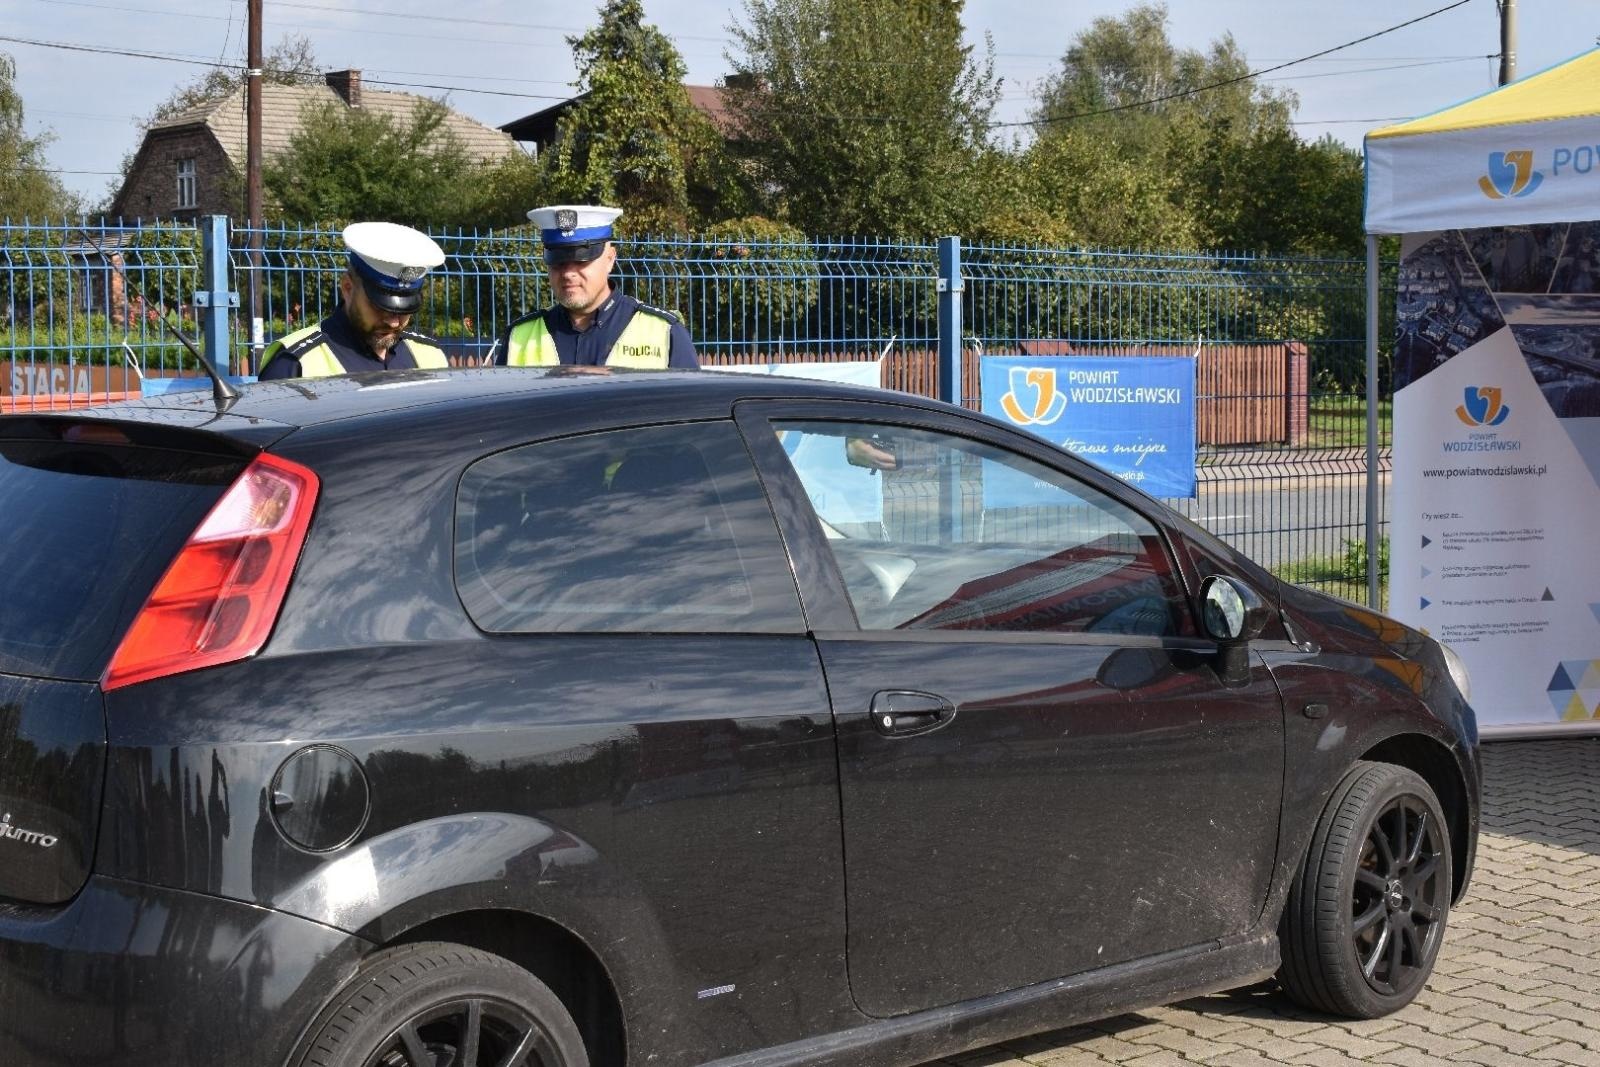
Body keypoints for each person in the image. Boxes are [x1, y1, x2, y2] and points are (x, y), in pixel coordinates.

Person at [494, 205, 698, 369]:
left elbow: (691, 416)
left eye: (582, 261)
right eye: (558, 262)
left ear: (610, 259)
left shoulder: (665, 333)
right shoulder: (519, 336)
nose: (568, 273)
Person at [257, 222, 448, 380]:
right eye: (381, 306)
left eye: (405, 309)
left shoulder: (431, 356)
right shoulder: (295, 365)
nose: (394, 322)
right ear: (348, 288)